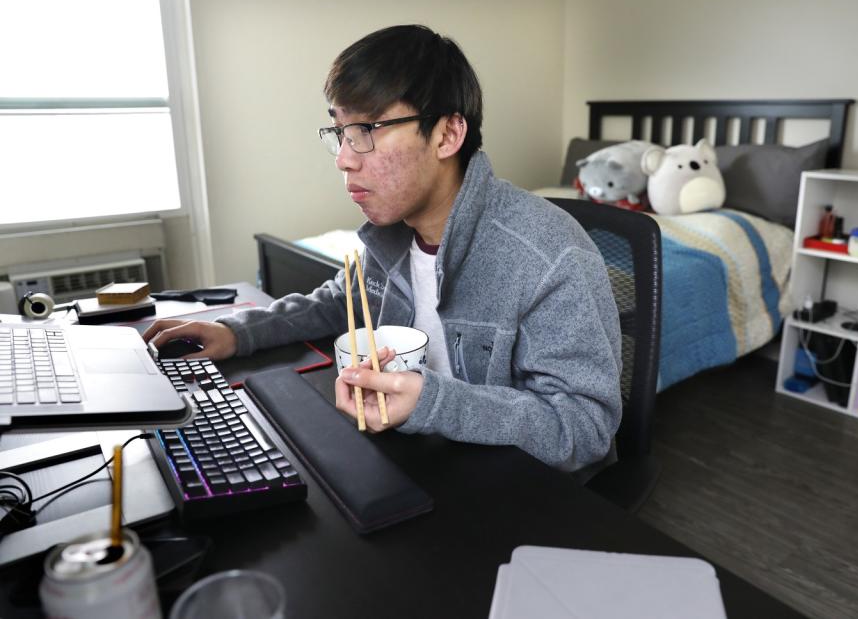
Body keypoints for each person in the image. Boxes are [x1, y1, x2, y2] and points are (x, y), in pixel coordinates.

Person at [143, 25, 622, 474]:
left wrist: (433, 403)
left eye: (369, 130)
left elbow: (584, 427)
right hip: (417, 459)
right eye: (341, 132)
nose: (346, 159)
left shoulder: (547, 254)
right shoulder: (391, 228)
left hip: (518, 495)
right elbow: (341, 300)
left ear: (448, 134)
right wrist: (238, 332)